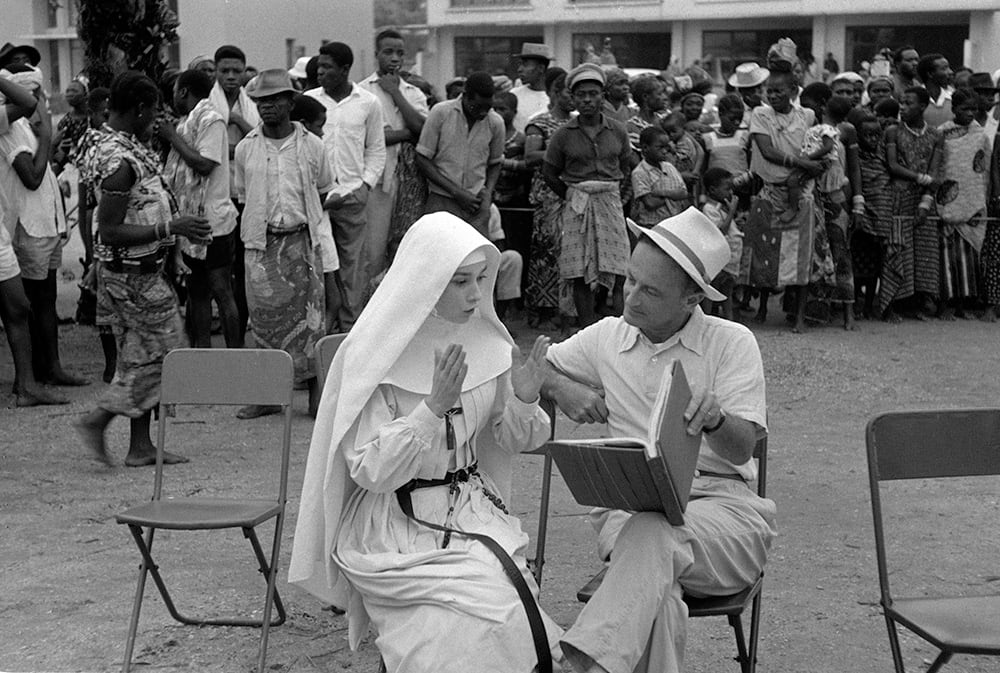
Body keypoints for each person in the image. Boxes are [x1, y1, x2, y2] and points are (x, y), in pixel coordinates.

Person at [288, 212, 563, 673]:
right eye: (459, 281)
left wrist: (524, 398)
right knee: (451, 628)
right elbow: (370, 471)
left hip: (471, 510)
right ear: (426, 280)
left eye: (480, 279)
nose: (476, 294)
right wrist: (431, 408)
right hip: (394, 522)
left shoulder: (488, 344)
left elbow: (507, 440)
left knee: (501, 608)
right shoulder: (378, 353)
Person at [545, 206, 776, 673]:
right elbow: (522, 366)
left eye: (649, 290)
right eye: (629, 279)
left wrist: (716, 420)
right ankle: (590, 663)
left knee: (654, 537)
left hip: (724, 514)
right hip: (631, 509)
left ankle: (581, 661)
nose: (629, 297)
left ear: (691, 300)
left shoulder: (731, 343)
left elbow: (742, 450)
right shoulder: (607, 337)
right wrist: (563, 387)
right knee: (658, 586)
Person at [75, 71, 212, 466]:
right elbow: (111, 229)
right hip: (132, 275)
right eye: (153, 111)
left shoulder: (107, 141)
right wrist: (172, 227)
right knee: (165, 351)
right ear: (138, 109)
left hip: (137, 271)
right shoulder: (120, 161)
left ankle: (140, 446)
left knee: (142, 354)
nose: (157, 119)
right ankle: (98, 420)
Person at [235, 70, 332, 418]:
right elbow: (243, 196)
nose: (267, 107)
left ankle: (314, 396)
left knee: (311, 321)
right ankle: (266, 395)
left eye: (275, 100)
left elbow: (322, 189)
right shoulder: (246, 148)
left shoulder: (313, 146)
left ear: (291, 102)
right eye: (261, 101)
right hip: (262, 247)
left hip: (301, 243)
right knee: (262, 320)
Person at [0, 65, 87, 389]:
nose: (40, 101)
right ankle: (37, 371)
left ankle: (51, 367)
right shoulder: (11, 129)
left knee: (46, 299)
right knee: (31, 303)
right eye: (34, 93)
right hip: (28, 226)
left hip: (45, 225)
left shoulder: (25, 128)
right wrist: (49, 137)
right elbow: (32, 178)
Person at [543, 64, 632, 327]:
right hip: (578, 204)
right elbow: (550, 172)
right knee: (580, 271)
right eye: (581, 94)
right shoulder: (563, 134)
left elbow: (625, 167)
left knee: (618, 268)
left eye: (593, 93)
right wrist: (572, 195)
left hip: (609, 202)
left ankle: (620, 328)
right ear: (573, 97)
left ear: (603, 95)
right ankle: (587, 328)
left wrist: (612, 195)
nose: (587, 100)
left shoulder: (618, 130)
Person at [160, 68, 242, 349]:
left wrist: (173, 138)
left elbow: (205, 164)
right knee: (197, 292)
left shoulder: (211, 119)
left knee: (221, 289)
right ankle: (203, 357)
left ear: (184, 91)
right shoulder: (188, 121)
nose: (172, 98)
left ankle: (235, 357)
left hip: (213, 219)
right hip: (192, 218)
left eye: (174, 92)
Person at [306, 42, 386, 331]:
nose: (320, 71)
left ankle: (350, 332)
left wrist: (365, 185)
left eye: (327, 66)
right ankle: (321, 332)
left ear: (345, 69)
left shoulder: (368, 103)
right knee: (321, 265)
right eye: (319, 65)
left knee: (353, 269)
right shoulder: (308, 101)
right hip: (317, 199)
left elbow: (376, 150)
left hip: (352, 196)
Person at [745, 68, 832, 332]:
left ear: (794, 91)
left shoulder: (807, 116)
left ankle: (800, 316)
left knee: (801, 255)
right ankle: (761, 308)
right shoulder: (761, 115)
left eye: (778, 91)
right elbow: (767, 150)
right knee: (763, 251)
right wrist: (801, 163)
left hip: (802, 189)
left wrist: (804, 169)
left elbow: (817, 149)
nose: (772, 95)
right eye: (769, 91)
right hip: (771, 189)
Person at [359, 30, 429, 287]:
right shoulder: (363, 93)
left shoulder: (413, 93)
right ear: (376, 54)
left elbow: (423, 130)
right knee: (373, 252)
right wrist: (404, 134)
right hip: (379, 181)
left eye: (400, 53)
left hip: (412, 182)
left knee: (405, 249)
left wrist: (395, 92)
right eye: (388, 52)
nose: (395, 58)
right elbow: (369, 140)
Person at [209, 44, 260, 342]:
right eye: (224, 71)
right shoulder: (207, 102)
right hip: (216, 196)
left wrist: (238, 122)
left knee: (242, 269)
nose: (230, 76)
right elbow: (209, 152)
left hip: (242, 196)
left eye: (236, 71)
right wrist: (235, 149)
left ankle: (237, 337)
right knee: (216, 273)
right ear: (216, 71)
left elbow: (257, 143)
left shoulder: (249, 104)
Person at [416, 70, 504, 236]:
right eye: (477, 107)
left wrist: (488, 196)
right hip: (441, 200)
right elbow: (422, 159)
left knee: (475, 259)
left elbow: (495, 163)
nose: (483, 113)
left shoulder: (495, 122)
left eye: (488, 107)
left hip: (476, 204)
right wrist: (456, 193)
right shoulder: (440, 112)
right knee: (440, 256)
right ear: (465, 96)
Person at [883, 86, 944, 321]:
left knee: (924, 251)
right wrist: (922, 179)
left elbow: (935, 169)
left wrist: (926, 203)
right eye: (901, 102)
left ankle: (918, 302)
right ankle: (895, 304)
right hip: (900, 197)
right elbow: (893, 166)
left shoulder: (936, 134)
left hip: (925, 200)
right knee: (900, 249)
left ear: (923, 106)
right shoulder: (893, 131)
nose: (902, 107)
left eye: (908, 103)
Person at [524, 67, 573, 330]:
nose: (573, 97)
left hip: (573, 197)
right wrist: (562, 154)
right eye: (568, 91)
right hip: (548, 197)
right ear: (554, 92)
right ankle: (543, 310)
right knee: (546, 252)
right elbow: (530, 156)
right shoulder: (539, 123)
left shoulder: (579, 123)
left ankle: (566, 309)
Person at [290, 93, 344, 334]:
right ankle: (318, 343)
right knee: (327, 299)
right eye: (319, 126)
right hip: (315, 233)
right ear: (303, 124)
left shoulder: (313, 149)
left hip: (322, 230)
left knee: (331, 298)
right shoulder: (309, 149)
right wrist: (332, 201)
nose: (322, 133)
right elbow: (312, 200)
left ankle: (318, 340)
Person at [936, 88, 991, 318]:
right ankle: (946, 304)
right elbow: (938, 163)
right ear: (953, 109)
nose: (969, 113)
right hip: (947, 199)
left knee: (968, 256)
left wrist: (981, 196)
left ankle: (963, 304)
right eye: (964, 109)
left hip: (972, 199)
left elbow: (984, 167)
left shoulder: (981, 134)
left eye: (974, 109)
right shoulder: (941, 133)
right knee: (946, 255)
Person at [848, 108, 892, 320]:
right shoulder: (855, 159)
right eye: (868, 135)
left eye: (876, 135)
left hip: (881, 215)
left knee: (875, 264)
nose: (873, 139)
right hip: (862, 215)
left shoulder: (883, 157)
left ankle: (868, 305)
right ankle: (856, 300)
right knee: (858, 261)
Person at [701, 167, 742, 320]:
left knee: (727, 292)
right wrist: (732, 212)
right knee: (712, 291)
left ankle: (729, 321)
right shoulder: (709, 209)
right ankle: (706, 321)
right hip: (718, 260)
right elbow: (720, 232)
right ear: (712, 189)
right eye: (727, 188)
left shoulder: (721, 207)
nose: (730, 193)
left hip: (730, 260)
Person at [631, 125, 688, 227]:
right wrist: (673, 196)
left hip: (673, 224)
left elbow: (683, 193)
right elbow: (650, 203)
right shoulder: (640, 173)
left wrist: (660, 193)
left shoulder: (669, 167)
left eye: (666, 147)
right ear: (645, 148)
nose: (665, 151)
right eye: (660, 147)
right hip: (652, 225)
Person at [511, 43, 552, 133]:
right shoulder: (514, 95)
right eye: (520, 64)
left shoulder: (553, 98)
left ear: (541, 68)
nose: (520, 69)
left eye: (525, 65)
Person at [51, 79, 89, 172]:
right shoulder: (66, 121)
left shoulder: (93, 117)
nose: (70, 94)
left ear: (85, 94)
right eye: (68, 91)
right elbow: (59, 149)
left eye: (74, 91)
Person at [626, 75, 667, 151]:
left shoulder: (664, 121)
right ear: (645, 97)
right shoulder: (632, 127)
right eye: (660, 94)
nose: (665, 97)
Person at [917, 53, 954, 129]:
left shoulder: (953, 97)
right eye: (944, 69)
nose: (950, 72)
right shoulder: (914, 98)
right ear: (930, 74)